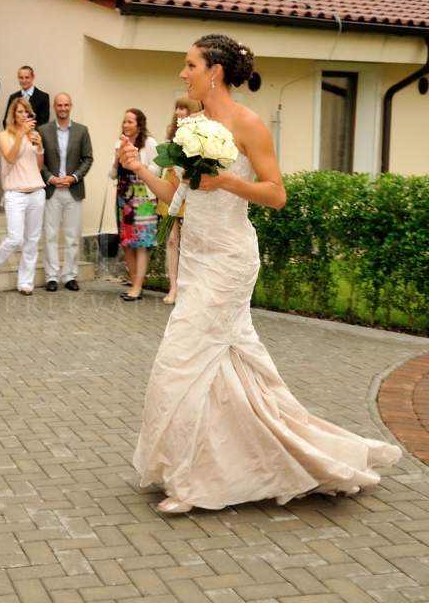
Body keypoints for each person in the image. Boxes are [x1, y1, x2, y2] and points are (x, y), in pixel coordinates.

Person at [121, 34, 401, 514]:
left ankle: (191, 481)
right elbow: (178, 199)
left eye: (190, 65)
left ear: (215, 72)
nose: (183, 74)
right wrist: (138, 169)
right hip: (196, 259)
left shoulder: (248, 124)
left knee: (179, 362)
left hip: (229, 261)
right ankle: (245, 461)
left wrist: (229, 180)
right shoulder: (190, 128)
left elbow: (277, 193)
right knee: (225, 369)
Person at [0, 97, 46, 295]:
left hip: (36, 191)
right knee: (15, 237)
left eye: (26, 112)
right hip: (15, 193)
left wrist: (39, 147)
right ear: (13, 114)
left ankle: (26, 282)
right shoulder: (4, 135)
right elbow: (10, 157)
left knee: (32, 240)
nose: (23, 115)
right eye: (20, 112)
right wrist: (21, 135)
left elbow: (38, 167)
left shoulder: (34, 135)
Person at [39, 93, 94, 292]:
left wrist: (73, 177)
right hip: (52, 189)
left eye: (66, 105)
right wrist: (50, 178)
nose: (63, 108)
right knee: (51, 235)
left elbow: (87, 158)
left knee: (72, 236)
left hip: (73, 189)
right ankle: (52, 277)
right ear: (54, 107)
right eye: (59, 105)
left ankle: (70, 275)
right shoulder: (43, 131)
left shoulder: (82, 131)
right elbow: (40, 160)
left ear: (71, 106)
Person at [159, 96, 203, 305]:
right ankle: (173, 286)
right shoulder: (172, 134)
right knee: (171, 240)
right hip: (171, 184)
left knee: (189, 241)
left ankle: (189, 286)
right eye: (177, 107)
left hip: (189, 187)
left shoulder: (199, 133)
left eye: (183, 108)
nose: (178, 111)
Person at [110, 108, 158, 301]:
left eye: (130, 121)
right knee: (127, 243)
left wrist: (139, 165)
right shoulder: (119, 143)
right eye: (124, 121)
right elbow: (112, 175)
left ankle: (137, 287)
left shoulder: (149, 143)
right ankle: (134, 283)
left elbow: (157, 169)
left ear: (139, 124)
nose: (126, 125)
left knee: (142, 242)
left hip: (143, 197)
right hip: (124, 198)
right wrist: (117, 159)